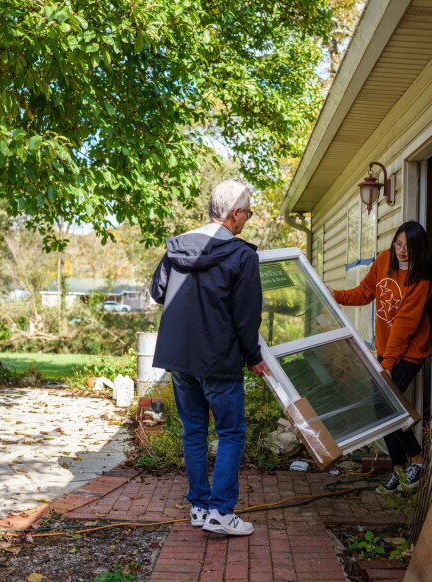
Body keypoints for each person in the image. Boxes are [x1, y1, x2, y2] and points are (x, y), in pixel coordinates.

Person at [149, 179, 271, 536]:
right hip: (218, 359)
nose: (247, 220)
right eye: (247, 214)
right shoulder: (242, 255)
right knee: (231, 432)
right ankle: (221, 512)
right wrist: (253, 357)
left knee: (194, 432)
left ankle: (200, 508)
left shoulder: (177, 247)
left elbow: (158, 292)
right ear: (235, 215)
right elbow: (247, 316)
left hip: (180, 357)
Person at [329, 220, 432, 493]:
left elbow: (404, 326)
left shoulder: (420, 281)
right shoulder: (385, 260)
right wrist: (335, 295)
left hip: (409, 353)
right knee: (381, 410)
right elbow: (364, 292)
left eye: (408, 247)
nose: (401, 251)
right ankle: (399, 469)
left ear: (418, 249)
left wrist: (388, 364)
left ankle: (418, 462)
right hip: (386, 351)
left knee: (386, 405)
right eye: (398, 244)